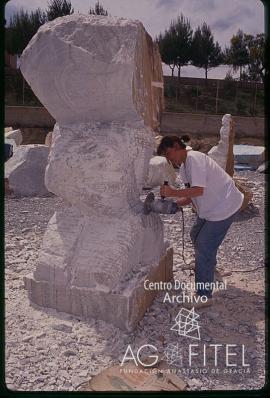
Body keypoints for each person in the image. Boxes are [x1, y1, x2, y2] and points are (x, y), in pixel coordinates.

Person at [157, 135, 244, 308]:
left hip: (224, 206)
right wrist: (175, 204)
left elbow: (198, 190)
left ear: (176, 146)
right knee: (195, 234)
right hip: (212, 208)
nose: (170, 159)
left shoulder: (194, 159)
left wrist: (172, 192)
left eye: (169, 154)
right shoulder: (184, 166)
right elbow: (191, 194)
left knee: (204, 245)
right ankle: (208, 267)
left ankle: (204, 295)